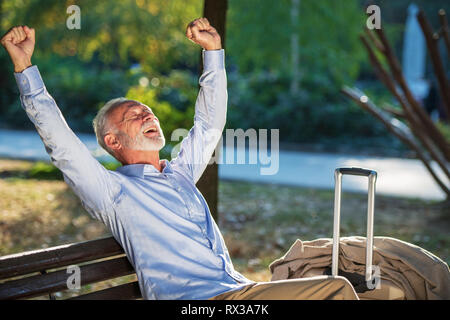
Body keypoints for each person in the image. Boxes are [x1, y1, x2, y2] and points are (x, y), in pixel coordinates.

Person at [1, 19, 358, 300]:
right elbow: (62, 144)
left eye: (149, 112)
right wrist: (25, 67)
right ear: (113, 140)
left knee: (364, 283)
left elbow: (208, 124)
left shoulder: (180, 174)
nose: (149, 117)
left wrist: (213, 53)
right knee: (337, 290)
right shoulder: (112, 192)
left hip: (239, 290)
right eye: (134, 116)